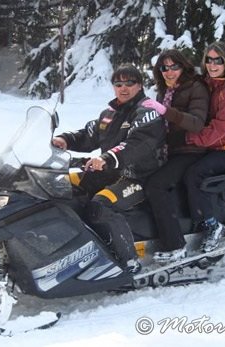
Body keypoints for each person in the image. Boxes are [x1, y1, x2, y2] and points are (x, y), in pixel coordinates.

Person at [52, 64, 166, 273]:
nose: (123, 88)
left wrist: (108, 157)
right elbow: (89, 135)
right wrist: (65, 140)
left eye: (130, 83)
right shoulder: (110, 113)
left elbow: (137, 144)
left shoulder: (148, 111)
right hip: (112, 172)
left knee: (101, 205)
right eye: (118, 83)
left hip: (139, 176)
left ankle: (128, 261)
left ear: (140, 85)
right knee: (64, 189)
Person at [141, 49, 210, 263]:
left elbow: (196, 123)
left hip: (192, 150)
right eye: (164, 68)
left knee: (157, 185)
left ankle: (176, 245)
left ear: (183, 67)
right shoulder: (166, 91)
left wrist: (164, 111)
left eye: (174, 67)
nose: (169, 72)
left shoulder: (195, 87)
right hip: (171, 150)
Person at [183, 41, 225, 253]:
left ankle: (212, 225)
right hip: (209, 145)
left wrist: (188, 139)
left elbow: (218, 129)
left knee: (194, 173)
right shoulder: (207, 84)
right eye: (209, 60)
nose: (212, 65)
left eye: (217, 61)